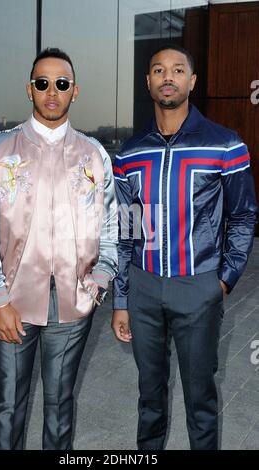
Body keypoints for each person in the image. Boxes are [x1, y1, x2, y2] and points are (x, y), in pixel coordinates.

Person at [0, 47, 118, 450]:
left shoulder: (95, 156)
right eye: (43, 83)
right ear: (30, 90)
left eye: (62, 83)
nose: (52, 91)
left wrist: (97, 284)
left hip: (74, 306)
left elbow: (112, 227)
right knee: (10, 406)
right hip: (13, 304)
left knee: (60, 407)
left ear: (75, 91)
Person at [111, 44, 257, 450]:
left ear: (191, 82)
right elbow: (126, 230)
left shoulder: (225, 145)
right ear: (149, 83)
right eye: (159, 70)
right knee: (150, 398)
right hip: (143, 289)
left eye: (177, 70)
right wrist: (122, 298)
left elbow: (244, 217)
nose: (168, 76)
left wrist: (222, 281)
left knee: (201, 399)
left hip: (199, 287)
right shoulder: (130, 153)